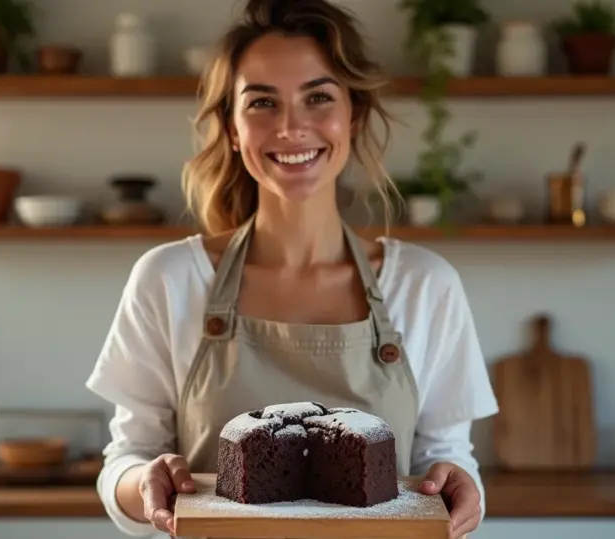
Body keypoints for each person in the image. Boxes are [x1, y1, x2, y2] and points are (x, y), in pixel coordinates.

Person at [84, 0, 499, 537]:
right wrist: (145, 482)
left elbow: (447, 457)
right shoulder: (169, 279)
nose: (291, 126)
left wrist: (462, 486)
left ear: (354, 115)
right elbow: (127, 459)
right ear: (232, 129)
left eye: (318, 97)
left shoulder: (425, 284)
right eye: (261, 102)